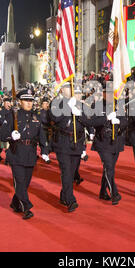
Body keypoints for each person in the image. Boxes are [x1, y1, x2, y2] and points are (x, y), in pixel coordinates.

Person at [0, 89, 49, 219]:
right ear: (20, 102)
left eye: (31, 101)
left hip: (30, 153)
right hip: (16, 152)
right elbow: (2, 135)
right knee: (20, 182)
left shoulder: (36, 117)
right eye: (26, 100)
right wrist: (11, 135)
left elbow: (42, 136)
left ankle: (16, 203)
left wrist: (44, 151)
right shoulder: (13, 115)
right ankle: (26, 208)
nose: (29, 103)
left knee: (25, 183)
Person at [49, 82, 93, 212]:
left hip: (77, 142)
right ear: (62, 90)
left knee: (72, 172)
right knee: (66, 171)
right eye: (68, 87)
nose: (72, 89)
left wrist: (79, 114)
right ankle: (70, 200)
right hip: (63, 142)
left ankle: (63, 196)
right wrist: (68, 107)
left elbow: (89, 121)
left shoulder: (81, 105)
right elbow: (54, 118)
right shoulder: (56, 103)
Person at [89, 89, 127, 205]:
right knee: (109, 167)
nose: (109, 95)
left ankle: (102, 192)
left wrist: (119, 121)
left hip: (116, 141)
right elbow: (92, 122)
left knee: (109, 169)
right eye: (107, 92)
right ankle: (114, 193)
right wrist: (106, 118)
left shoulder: (119, 105)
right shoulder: (97, 105)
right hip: (103, 141)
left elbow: (126, 121)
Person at [0, 97, 13, 164]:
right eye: (6, 103)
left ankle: (9, 159)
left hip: (12, 131)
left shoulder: (13, 111)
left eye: (8, 103)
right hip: (5, 131)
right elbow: (2, 121)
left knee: (11, 146)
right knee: (6, 146)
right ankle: (8, 159)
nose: (7, 104)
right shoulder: (1, 112)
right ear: (4, 104)